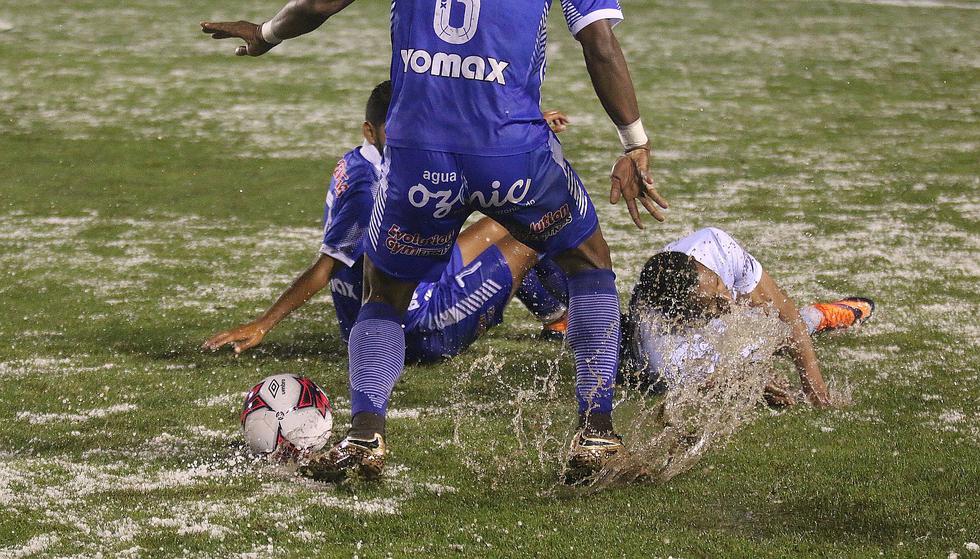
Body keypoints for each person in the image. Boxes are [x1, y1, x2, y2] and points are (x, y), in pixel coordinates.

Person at [201, 0, 666, 482]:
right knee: (588, 263)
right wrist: (635, 142)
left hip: (418, 158)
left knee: (384, 296)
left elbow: (318, 4)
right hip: (509, 151)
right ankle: (595, 430)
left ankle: (365, 435)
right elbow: (599, 42)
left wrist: (266, 33)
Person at [204, 82, 571, 370]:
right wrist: (264, 323)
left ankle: (557, 318)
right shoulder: (368, 192)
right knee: (536, 225)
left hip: (394, 294)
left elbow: (459, 135)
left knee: (506, 218)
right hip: (413, 329)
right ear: (370, 132)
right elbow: (325, 268)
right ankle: (572, 318)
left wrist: (526, 128)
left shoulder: (365, 160)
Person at [619, 227, 875, 406]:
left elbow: (785, 312)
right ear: (680, 317)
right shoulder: (662, 353)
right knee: (758, 347)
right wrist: (751, 383)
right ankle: (814, 318)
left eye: (719, 284)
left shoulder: (715, 245)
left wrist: (815, 386)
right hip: (670, 355)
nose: (728, 298)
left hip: (695, 329)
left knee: (775, 322)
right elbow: (706, 385)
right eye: (711, 303)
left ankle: (819, 315)